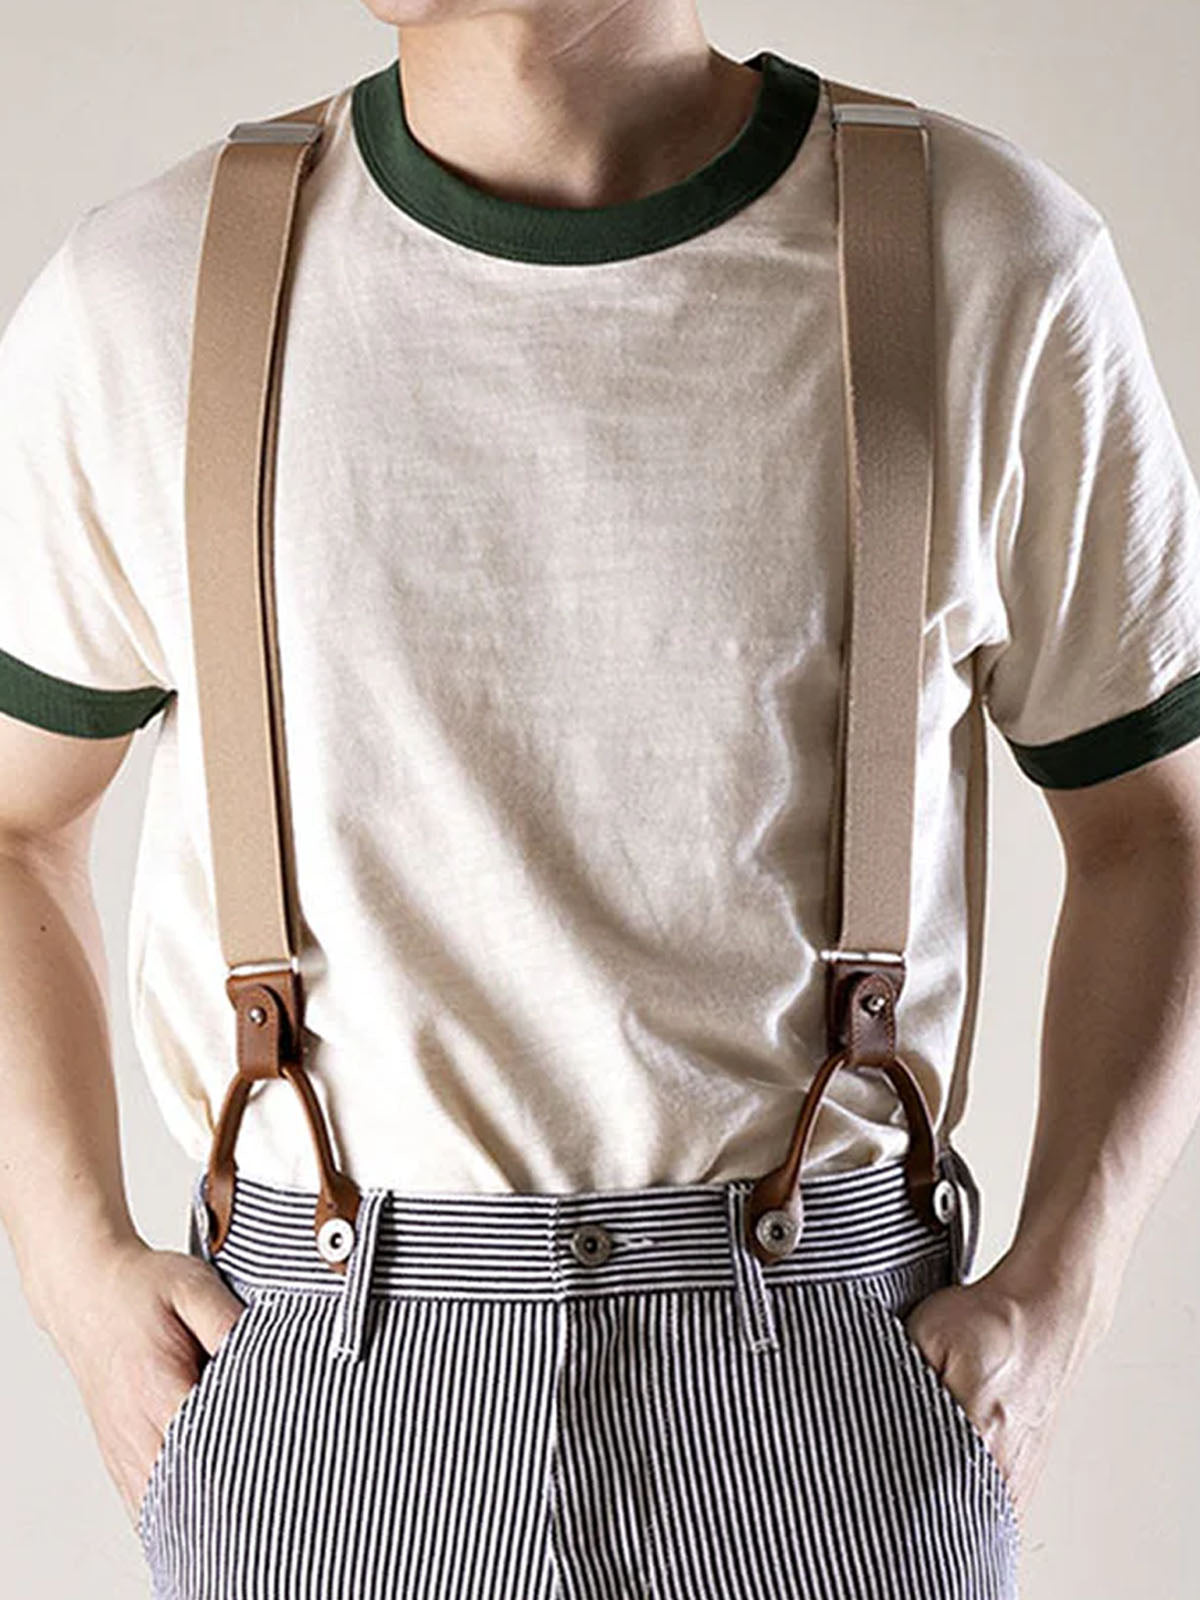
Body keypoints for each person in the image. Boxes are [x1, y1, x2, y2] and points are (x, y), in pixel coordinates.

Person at [2, 1, 1199, 1596]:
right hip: (321, 1401)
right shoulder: (156, 291)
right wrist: (78, 1277)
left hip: (823, 1393)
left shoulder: (980, 256)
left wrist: (1063, 1290)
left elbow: (1155, 828)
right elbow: (14, 824)